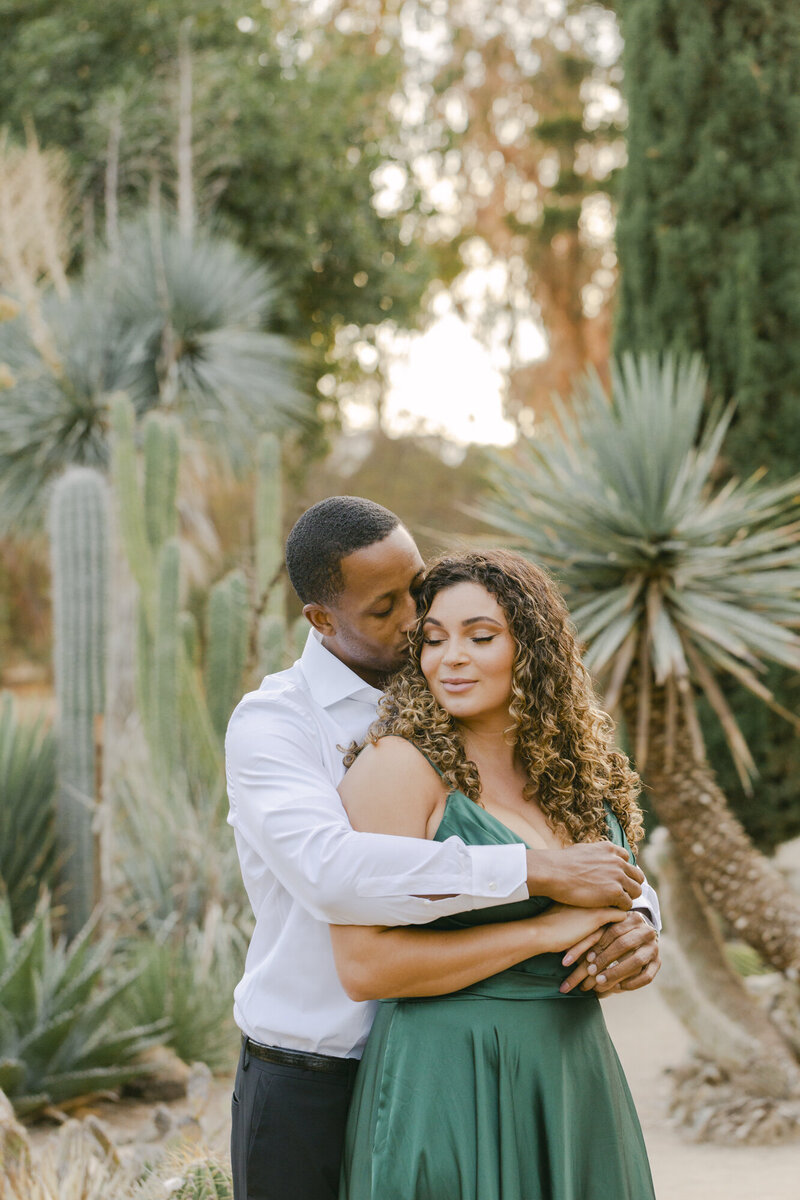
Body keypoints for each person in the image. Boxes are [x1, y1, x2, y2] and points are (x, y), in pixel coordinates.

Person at [226, 497, 660, 1200]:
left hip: (521, 1063)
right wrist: (539, 883)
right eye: (385, 610)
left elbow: (594, 852)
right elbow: (331, 875)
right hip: (318, 1068)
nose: (414, 624)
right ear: (322, 620)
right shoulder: (278, 723)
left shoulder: (480, 716)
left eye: (416, 591)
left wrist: (638, 917)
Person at [333, 549, 657, 1200]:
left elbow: (621, 893)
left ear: (534, 651)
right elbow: (365, 967)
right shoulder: (398, 769)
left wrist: (642, 932)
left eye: (480, 637)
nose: (450, 657)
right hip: (449, 1079)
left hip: (573, 1074)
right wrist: (546, 933)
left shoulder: (579, 780)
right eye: (433, 639)